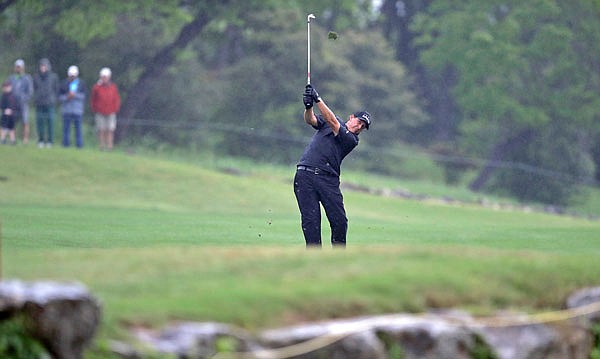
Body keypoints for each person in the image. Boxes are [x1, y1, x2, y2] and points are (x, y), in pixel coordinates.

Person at [294, 84, 372, 247]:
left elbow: (333, 123)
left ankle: (338, 257)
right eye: (359, 122)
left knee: (339, 221)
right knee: (311, 222)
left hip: (327, 180)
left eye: (362, 127)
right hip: (305, 176)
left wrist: (317, 98)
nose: (359, 127)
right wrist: (308, 106)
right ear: (351, 117)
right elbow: (311, 120)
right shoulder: (332, 120)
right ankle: (314, 259)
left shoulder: (351, 140)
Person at [90, 67, 121, 151]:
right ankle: (102, 146)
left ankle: (110, 146)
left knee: (110, 129)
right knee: (101, 129)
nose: (104, 79)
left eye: (106, 77)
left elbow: (116, 98)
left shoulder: (113, 87)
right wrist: (94, 108)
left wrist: (115, 108)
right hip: (100, 111)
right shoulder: (97, 87)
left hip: (111, 111)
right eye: (103, 77)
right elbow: (93, 99)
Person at [33, 58, 59, 148]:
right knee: (40, 123)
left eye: (45, 66)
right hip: (39, 103)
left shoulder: (53, 77)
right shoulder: (36, 77)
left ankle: (50, 141)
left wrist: (54, 100)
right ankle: (41, 140)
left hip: (49, 103)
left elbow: (56, 90)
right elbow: (35, 89)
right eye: (41, 66)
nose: (43, 68)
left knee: (50, 122)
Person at [59, 65, 86, 148]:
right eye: (71, 76)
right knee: (66, 129)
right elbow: (60, 97)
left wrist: (74, 95)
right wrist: (67, 97)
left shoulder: (81, 84)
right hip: (67, 110)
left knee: (78, 129)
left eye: (74, 76)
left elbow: (83, 96)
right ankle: (65, 144)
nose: (72, 77)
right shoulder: (64, 83)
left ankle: (79, 145)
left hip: (77, 110)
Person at [7, 59, 34, 145]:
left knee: (25, 121)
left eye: (20, 67)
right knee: (13, 121)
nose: (18, 69)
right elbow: (8, 90)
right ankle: (13, 139)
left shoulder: (27, 78)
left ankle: (25, 139)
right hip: (13, 104)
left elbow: (30, 91)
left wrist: (24, 99)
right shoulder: (11, 78)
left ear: (23, 68)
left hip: (23, 104)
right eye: (17, 67)